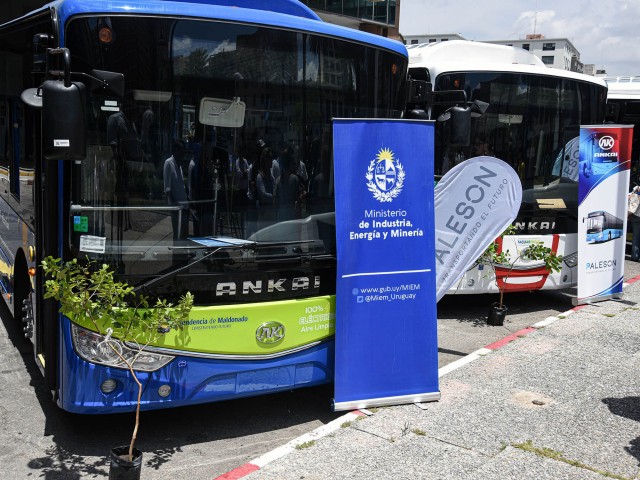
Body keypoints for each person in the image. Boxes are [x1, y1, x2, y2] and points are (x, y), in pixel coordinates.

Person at [164, 140, 189, 240]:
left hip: (184, 207)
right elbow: (167, 189)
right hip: (177, 209)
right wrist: (175, 205)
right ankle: (177, 255)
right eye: (182, 151)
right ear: (176, 150)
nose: (183, 154)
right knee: (178, 235)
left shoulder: (179, 166)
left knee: (184, 235)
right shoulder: (169, 163)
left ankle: (182, 255)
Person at [629, 185, 640, 261]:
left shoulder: (636, 188)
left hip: (636, 215)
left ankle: (635, 256)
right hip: (636, 215)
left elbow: (630, 198)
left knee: (636, 236)